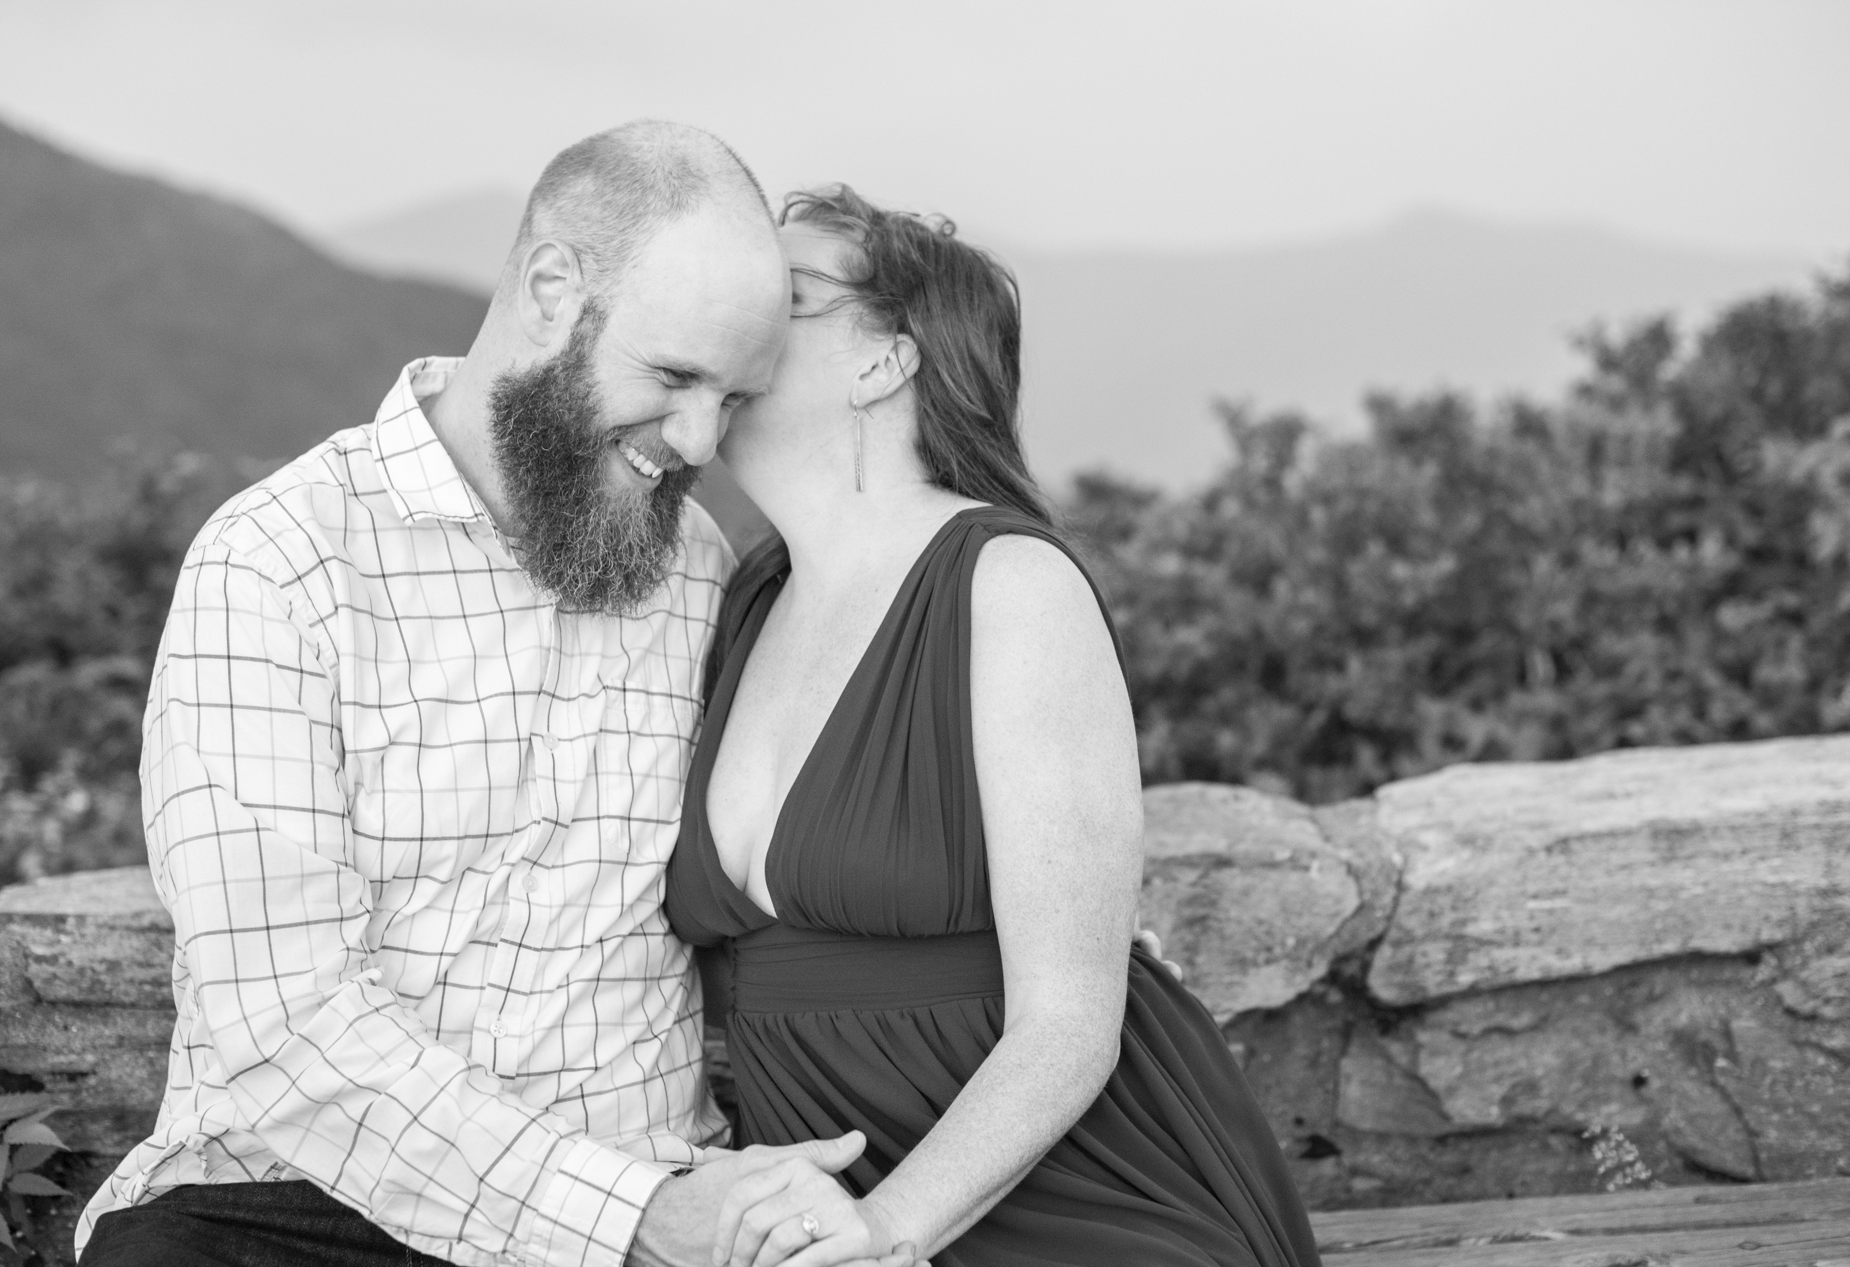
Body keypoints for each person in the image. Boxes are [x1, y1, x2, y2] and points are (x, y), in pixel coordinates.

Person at [77, 123, 918, 1267]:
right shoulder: (277, 562)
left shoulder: (701, 568)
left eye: (732, 397)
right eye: (673, 376)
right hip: (304, 1204)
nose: (699, 440)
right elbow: (283, 1026)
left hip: (656, 1169)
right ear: (550, 286)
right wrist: (626, 1220)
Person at [663, 187, 1324, 1267]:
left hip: (1059, 1205)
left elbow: (1069, 1023)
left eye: (782, 295)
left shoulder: (1006, 588)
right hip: (812, 1212)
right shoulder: (749, 595)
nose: (732, 313)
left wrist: (883, 1231)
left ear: (886, 359)